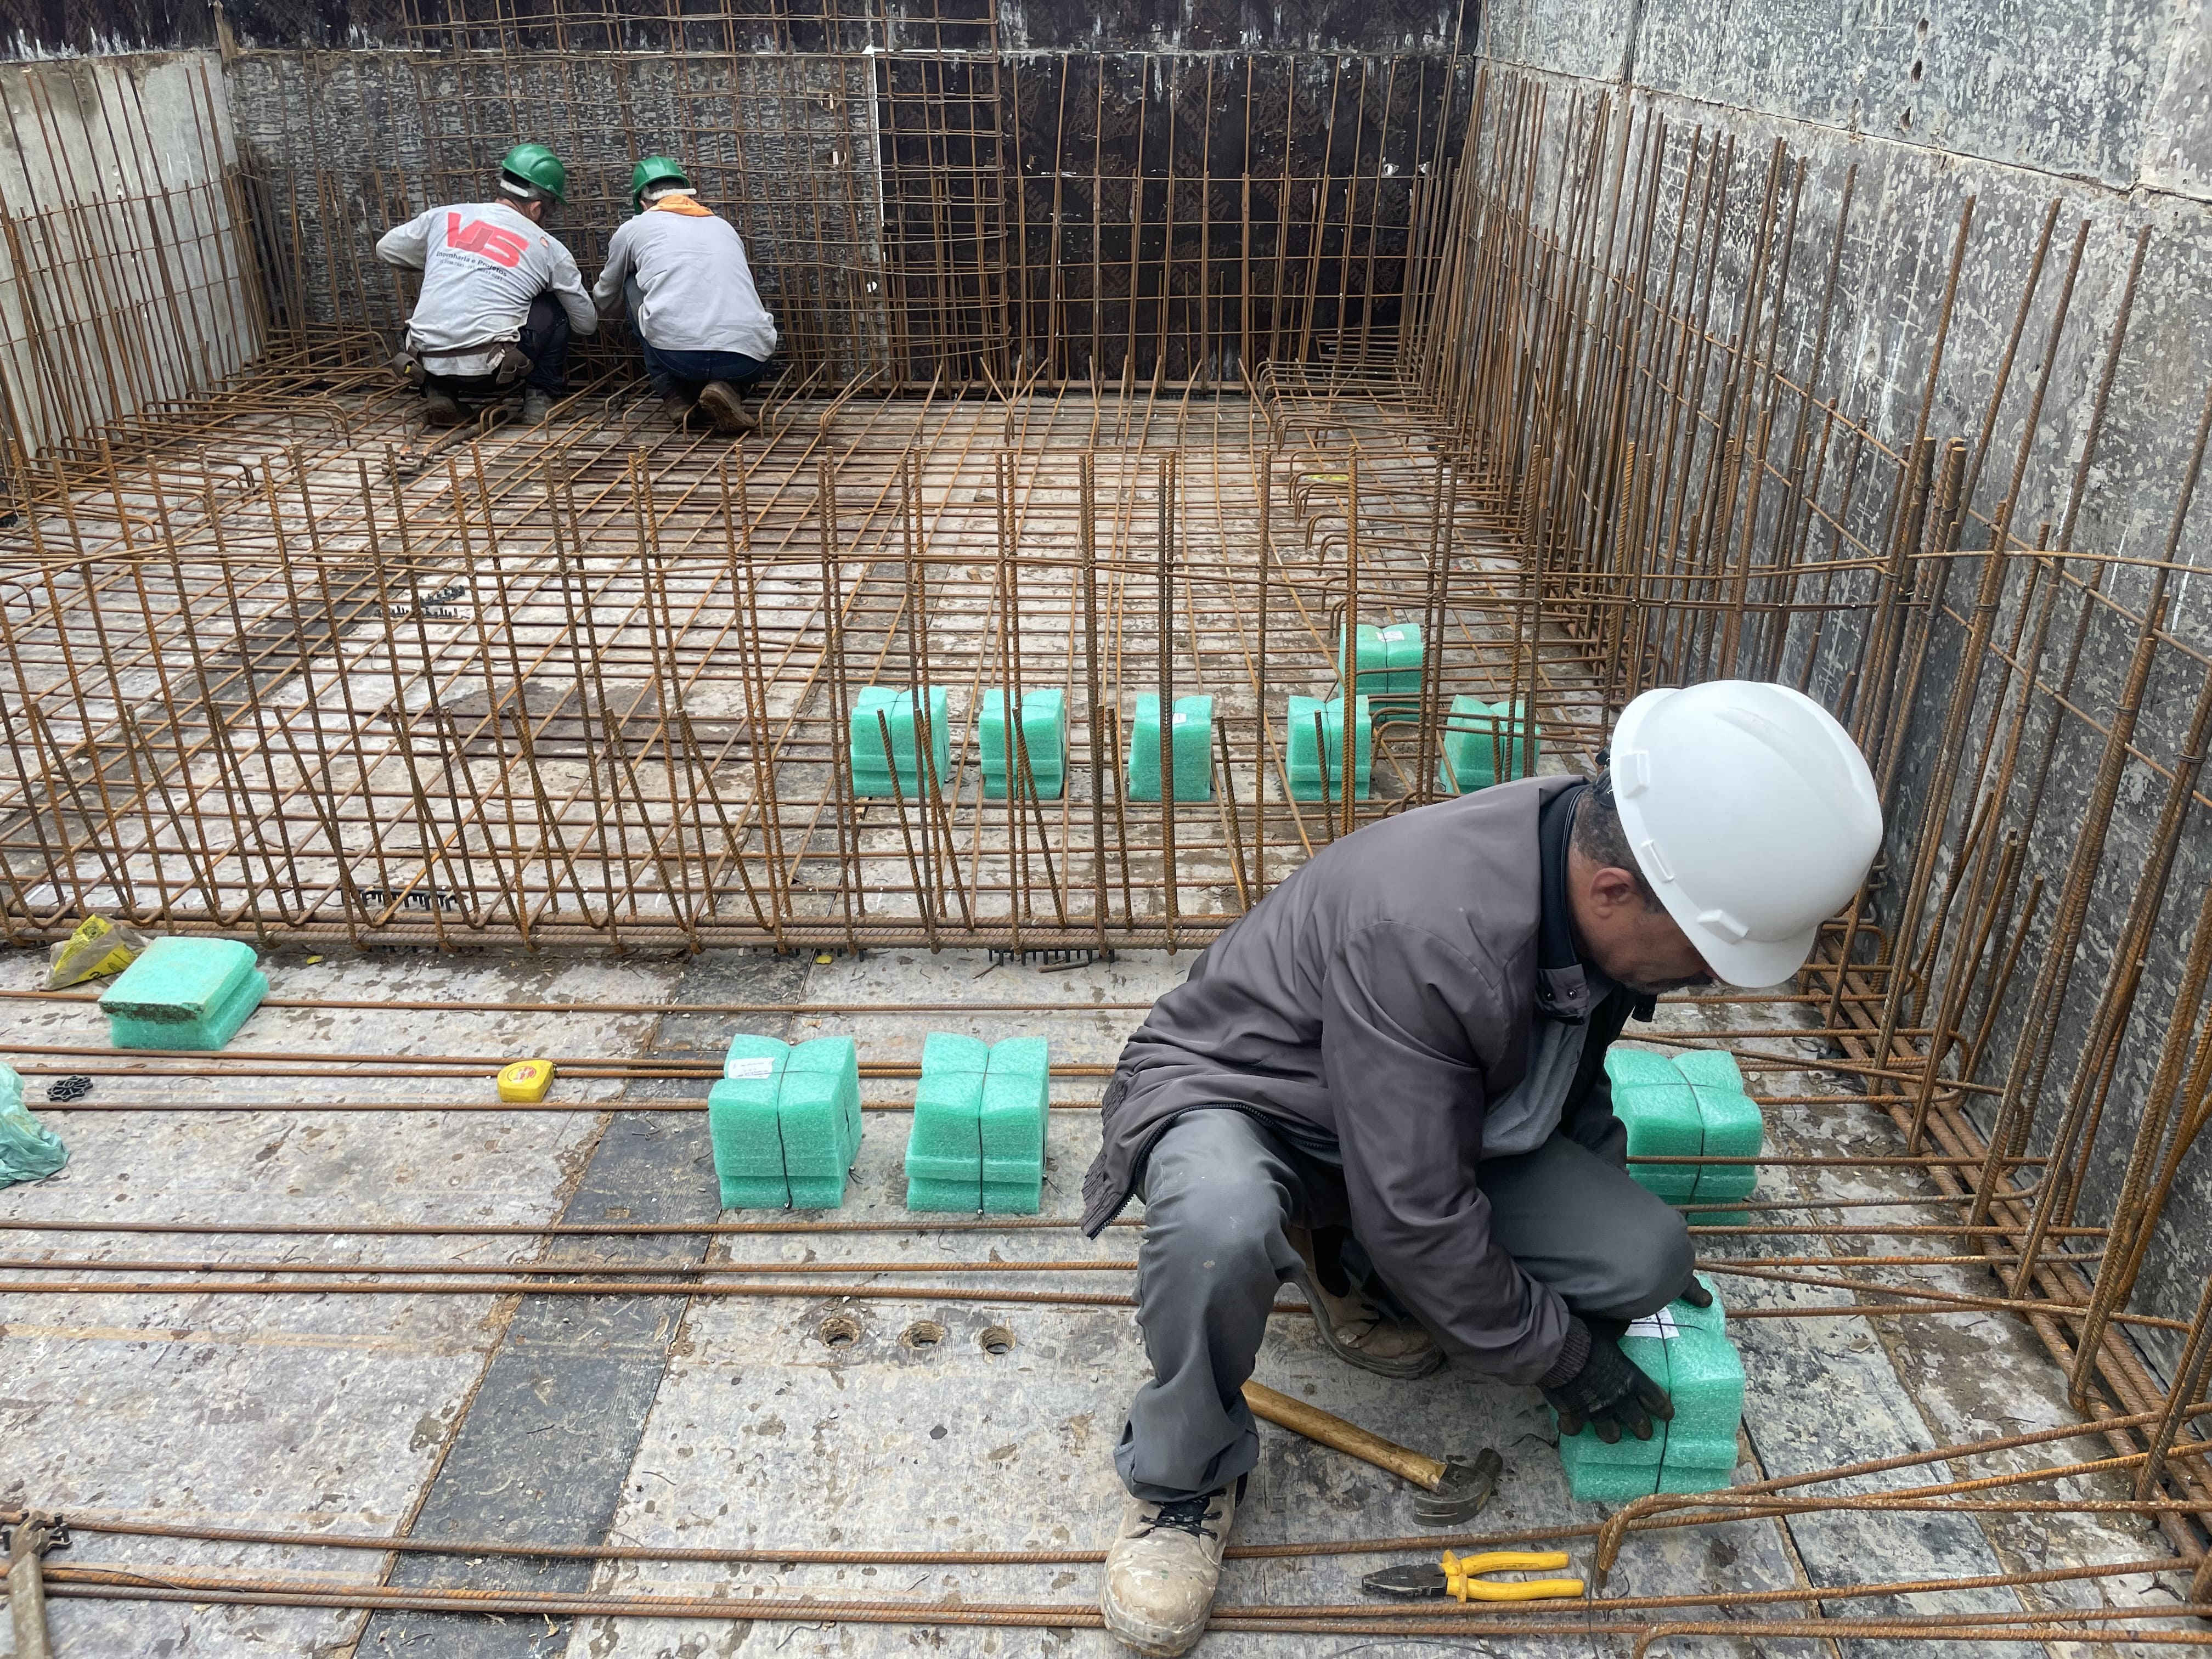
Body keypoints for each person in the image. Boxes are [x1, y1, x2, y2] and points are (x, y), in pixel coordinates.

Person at [1084, 679, 1884, 1656]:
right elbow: (1417, 1209)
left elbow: (1566, 1089)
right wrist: (1560, 1353)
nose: (1710, 978)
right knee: (1219, 1222)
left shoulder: (1590, 853)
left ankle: (1353, 1260)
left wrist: (1605, 1288)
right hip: (1254, 1096)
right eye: (1704, 952)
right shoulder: (1431, 930)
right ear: (1614, 891)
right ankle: (1183, 1478)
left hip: (1413, 1122)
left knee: (1642, 1258)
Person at [375, 142, 596, 428]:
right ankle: (541, 400)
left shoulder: (444, 216)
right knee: (554, 306)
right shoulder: (549, 248)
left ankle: (439, 392)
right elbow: (586, 323)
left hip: (424, 362)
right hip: (494, 369)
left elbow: (386, 249)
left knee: (434, 299)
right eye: (548, 213)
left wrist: (448, 260)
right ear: (536, 208)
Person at [590, 155, 778, 435]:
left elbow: (606, 293)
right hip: (746, 360)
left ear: (643, 204)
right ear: (687, 196)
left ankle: (674, 395)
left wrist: (610, 317)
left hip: (677, 357)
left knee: (632, 282)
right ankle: (729, 388)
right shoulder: (723, 227)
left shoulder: (633, 229)